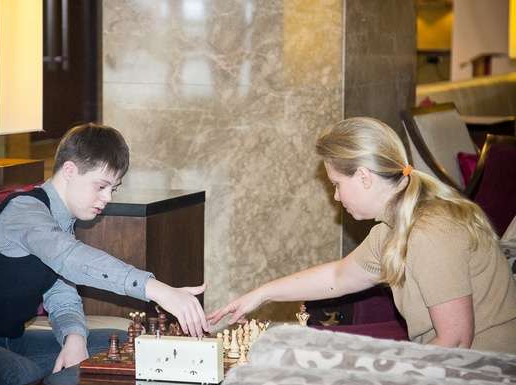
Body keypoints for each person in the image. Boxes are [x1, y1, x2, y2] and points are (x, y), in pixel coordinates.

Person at [0, 123, 208, 385]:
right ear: (69, 170)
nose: (107, 197)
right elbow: (71, 259)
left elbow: (61, 295)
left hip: (7, 342)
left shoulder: (61, 223)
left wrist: (74, 337)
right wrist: (158, 290)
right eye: (101, 186)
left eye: (113, 188)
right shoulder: (25, 212)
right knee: (21, 376)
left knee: (123, 344)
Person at [208, 117, 516, 354]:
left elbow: (457, 341)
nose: (336, 196)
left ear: (364, 177)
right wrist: (259, 295)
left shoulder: (431, 230)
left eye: (337, 184)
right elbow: (339, 276)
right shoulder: (393, 228)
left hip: (487, 371)